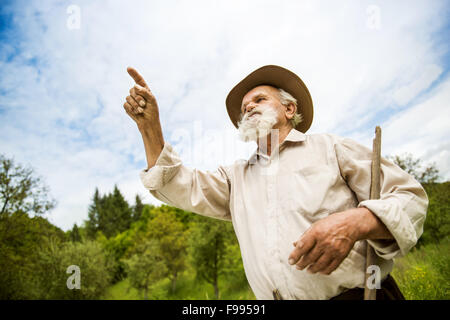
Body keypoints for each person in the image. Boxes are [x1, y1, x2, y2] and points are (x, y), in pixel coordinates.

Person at [123, 65, 428, 300]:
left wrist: (355, 222)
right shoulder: (235, 179)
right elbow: (177, 184)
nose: (249, 107)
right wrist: (150, 128)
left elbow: (410, 197)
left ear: (289, 109)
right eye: (245, 107)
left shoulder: (331, 148)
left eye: (259, 99)